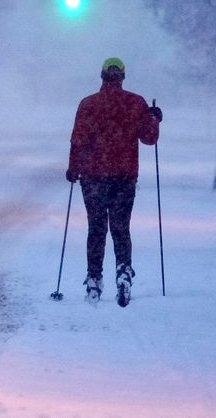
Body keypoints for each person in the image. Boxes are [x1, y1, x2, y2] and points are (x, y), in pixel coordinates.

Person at [66, 57, 162, 306]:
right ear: (122, 77)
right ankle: (123, 273)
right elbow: (149, 139)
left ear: (101, 76)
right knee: (120, 227)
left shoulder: (88, 104)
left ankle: (94, 280)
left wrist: (73, 168)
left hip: (93, 176)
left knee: (96, 228)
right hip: (124, 176)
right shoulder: (136, 103)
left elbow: (78, 139)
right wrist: (154, 119)